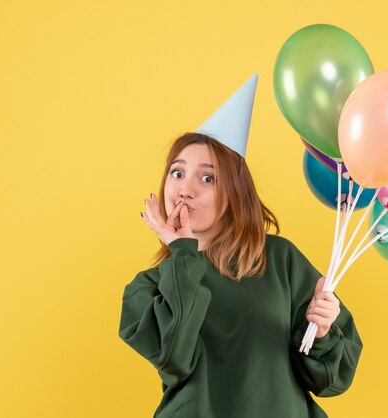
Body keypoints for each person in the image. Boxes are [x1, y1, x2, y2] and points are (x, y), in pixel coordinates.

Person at [118, 74, 362, 417]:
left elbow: (332, 380)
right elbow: (175, 360)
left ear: (234, 192)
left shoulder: (280, 260)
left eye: (207, 177)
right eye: (177, 173)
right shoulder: (148, 287)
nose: (185, 189)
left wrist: (320, 333)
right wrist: (183, 252)